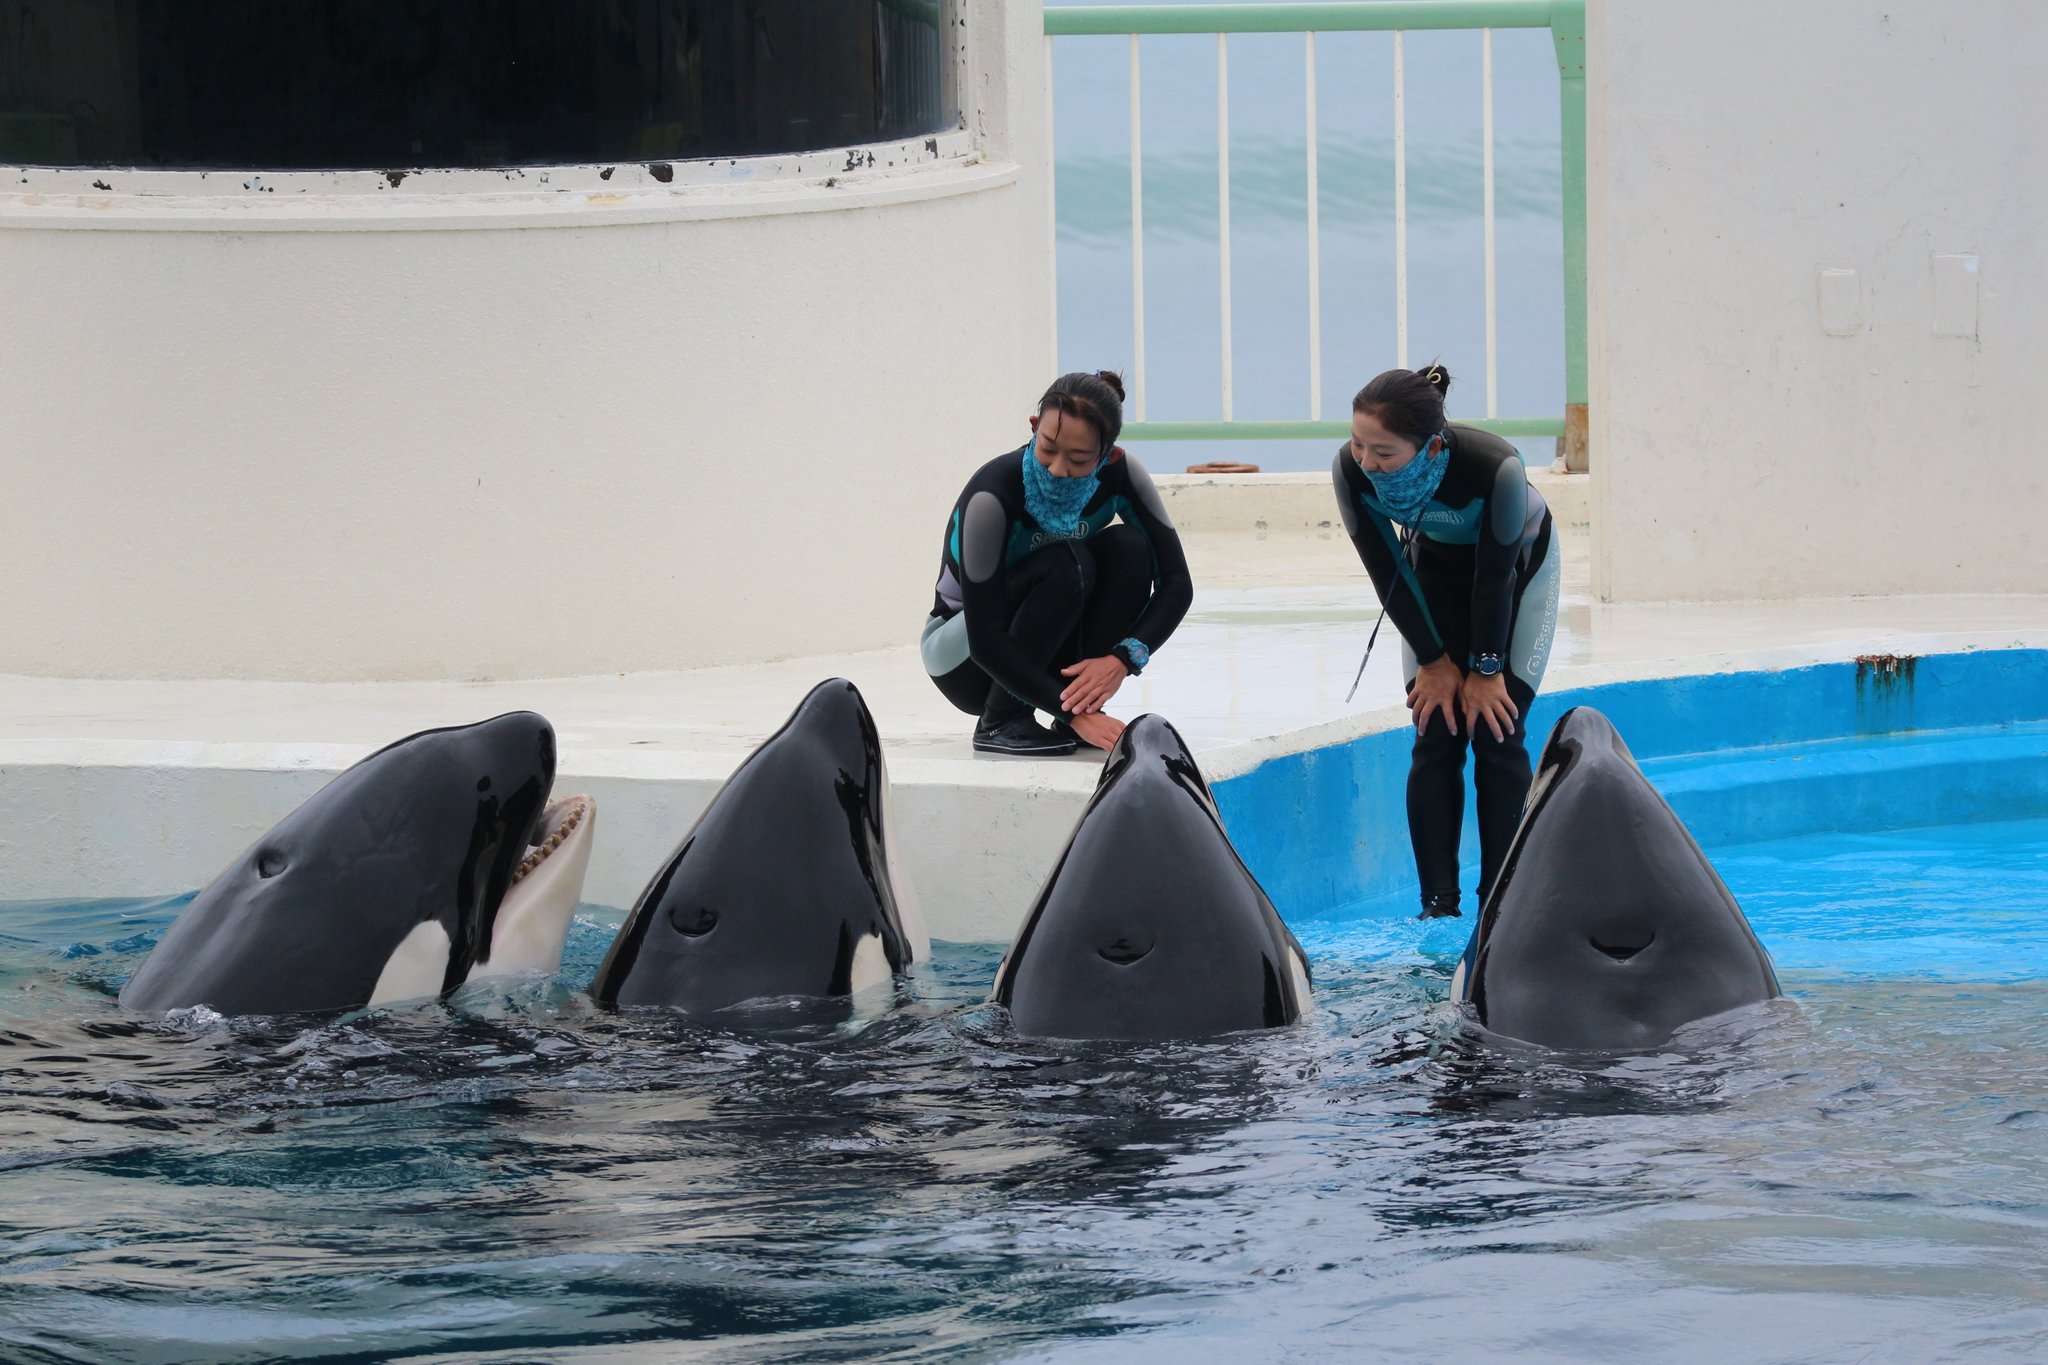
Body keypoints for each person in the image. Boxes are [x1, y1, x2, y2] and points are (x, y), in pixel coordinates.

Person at [1333, 364, 1561, 918]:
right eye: (1359, 444)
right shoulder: (1351, 470)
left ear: (1431, 445)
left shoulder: (1494, 467)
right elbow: (1383, 566)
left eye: (1383, 452)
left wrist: (1485, 669)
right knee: (1436, 731)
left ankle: (1500, 904)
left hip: (1517, 577)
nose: (1366, 461)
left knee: (1496, 731)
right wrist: (1434, 661)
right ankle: (1438, 905)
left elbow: (1497, 576)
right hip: (1430, 573)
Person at [923, 371, 1194, 756]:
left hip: (1038, 645)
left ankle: (1083, 699)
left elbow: (1177, 584)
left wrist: (1121, 659)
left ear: (1108, 455)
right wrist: (1072, 716)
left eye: (1079, 458)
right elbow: (985, 637)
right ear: (1035, 428)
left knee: (1129, 548)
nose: (1056, 469)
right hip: (965, 659)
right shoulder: (994, 491)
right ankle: (1001, 721)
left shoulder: (1123, 475)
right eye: (1048, 448)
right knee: (1067, 563)